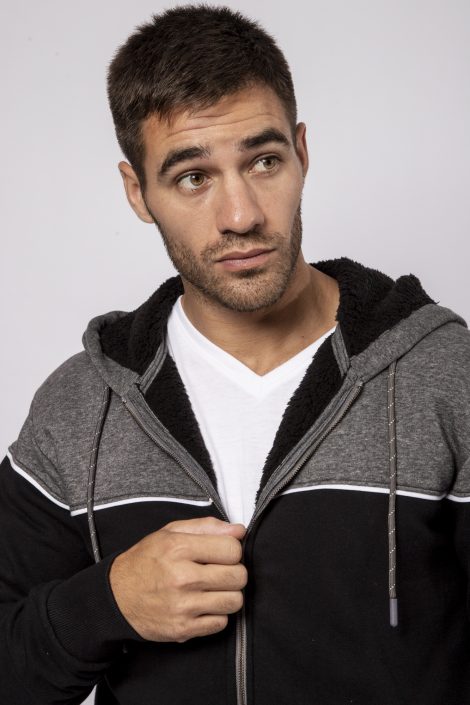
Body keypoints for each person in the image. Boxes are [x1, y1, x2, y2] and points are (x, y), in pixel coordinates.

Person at [1, 4, 470, 705]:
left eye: (264, 161)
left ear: (302, 152)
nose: (242, 215)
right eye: (193, 176)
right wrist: (106, 603)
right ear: (137, 191)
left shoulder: (447, 377)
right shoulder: (79, 407)